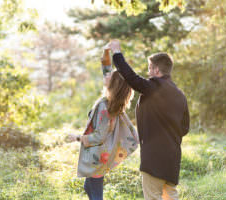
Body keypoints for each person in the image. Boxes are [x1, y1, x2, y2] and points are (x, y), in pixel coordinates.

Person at [107, 40, 190, 200]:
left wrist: (117, 53)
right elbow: (185, 128)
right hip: (173, 158)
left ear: (156, 69)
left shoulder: (153, 87)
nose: (148, 72)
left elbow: (131, 78)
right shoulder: (180, 95)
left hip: (154, 158)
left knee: (153, 197)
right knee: (171, 197)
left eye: (149, 68)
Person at [68, 49, 139, 200]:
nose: (106, 75)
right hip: (101, 156)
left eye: (109, 76)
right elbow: (107, 71)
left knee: (95, 192)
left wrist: (77, 138)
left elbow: (99, 136)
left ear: (112, 84)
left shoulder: (104, 107)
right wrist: (107, 52)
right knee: (89, 186)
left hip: (97, 155)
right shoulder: (112, 102)